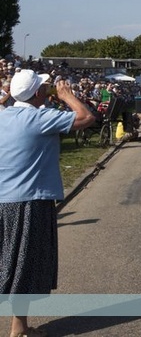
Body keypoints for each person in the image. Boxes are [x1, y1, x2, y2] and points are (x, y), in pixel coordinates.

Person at [0, 70, 95, 337]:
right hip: (29, 201)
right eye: (44, 87)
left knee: (7, 265)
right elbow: (86, 117)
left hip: (3, 198)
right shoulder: (39, 118)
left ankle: (19, 327)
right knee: (25, 268)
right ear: (38, 93)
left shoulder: (3, 116)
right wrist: (67, 96)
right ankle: (18, 329)